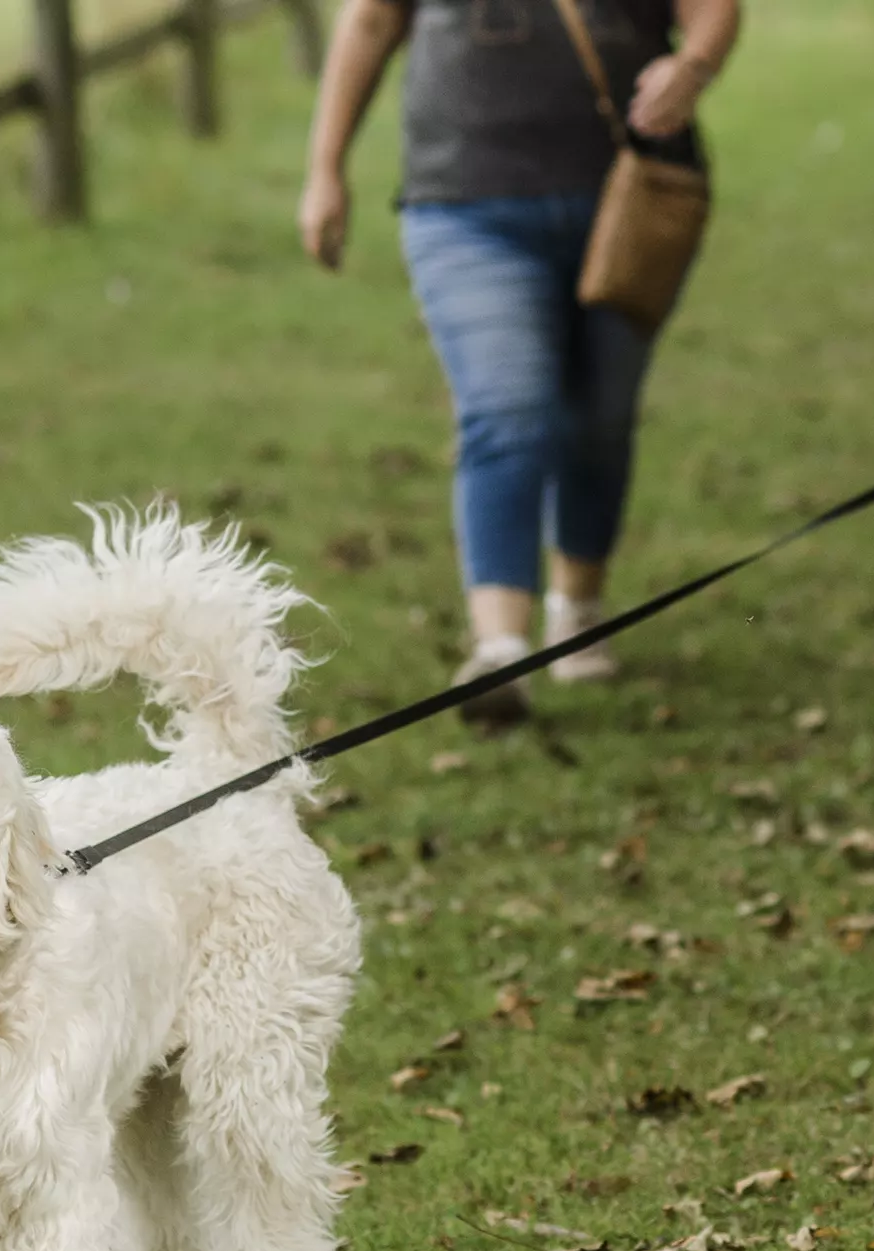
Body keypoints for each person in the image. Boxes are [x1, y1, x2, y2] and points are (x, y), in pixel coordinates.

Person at [300, 0, 741, 726]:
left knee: (599, 418)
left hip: (629, 196)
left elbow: (713, 11)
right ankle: (502, 651)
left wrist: (691, 68)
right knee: (505, 409)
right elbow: (371, 22)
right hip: (464, 208)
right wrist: (325, 169)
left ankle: (578, 607)